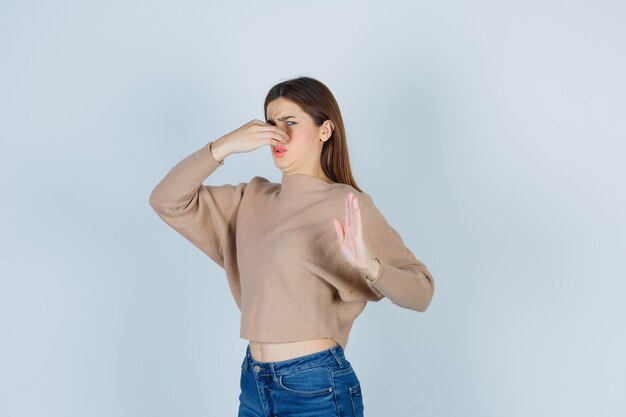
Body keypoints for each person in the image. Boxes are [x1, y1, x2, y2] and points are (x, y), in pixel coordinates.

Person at [149, 76, 435, 416]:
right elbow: (166, 199)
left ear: (325, 130)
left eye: (291, 122)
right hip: (254, 382)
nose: (278, 134)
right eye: (271, 123)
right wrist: (223, 146)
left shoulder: (345, 203)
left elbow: (422, 292)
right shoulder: (250, 198)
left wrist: (369, 267)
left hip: (315, 386)